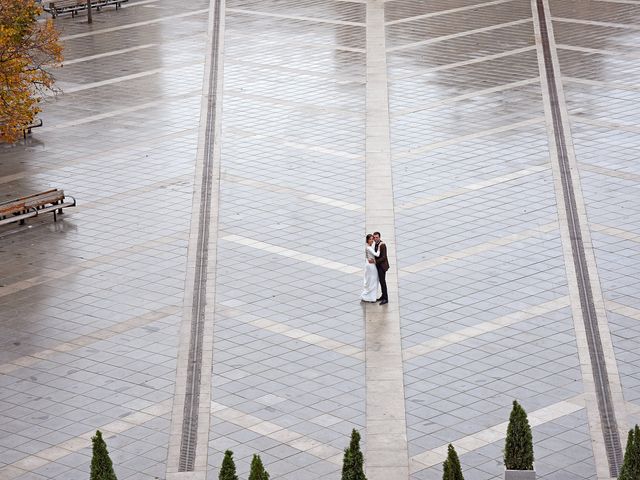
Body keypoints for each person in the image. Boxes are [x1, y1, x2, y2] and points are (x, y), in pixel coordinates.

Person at [360, 234, 379, 302]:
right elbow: (377, 254)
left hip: (370, 264)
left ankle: (371, 296)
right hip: (371, 266)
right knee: (373, 280)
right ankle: (370, 297)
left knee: (372, 280)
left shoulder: (369, 247)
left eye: (372, 239)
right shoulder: (369, 247)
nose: (372, 240)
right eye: (370, 239)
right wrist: (379, 247)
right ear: (367, 240)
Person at [373, 232, 389, 305]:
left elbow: (384, 257)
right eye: (374, 237)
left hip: (382, 266)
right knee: (381, 281)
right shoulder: (376, 244)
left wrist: (376, 261)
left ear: (379, 237)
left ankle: (385, 298)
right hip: (379, 266)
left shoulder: (382, 245)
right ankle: (383, 296)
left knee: (383, 282)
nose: (375, 239)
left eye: (377, 237)